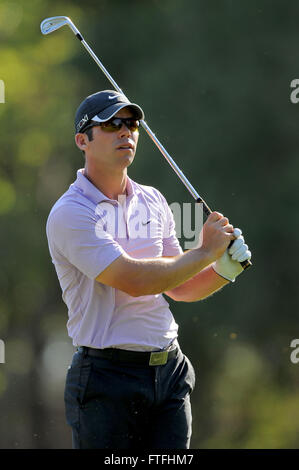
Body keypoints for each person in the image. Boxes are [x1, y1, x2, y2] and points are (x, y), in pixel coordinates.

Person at [46, 90, 251, 449]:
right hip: (106, 380)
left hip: (169, 372)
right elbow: (135, 280)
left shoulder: (153, 200)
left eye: (131, 124)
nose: (125, 132)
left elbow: (178, 286)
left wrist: (224, 268)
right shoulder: (70, 212)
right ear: (83, 140)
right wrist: (205, 251)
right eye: (111, 124)